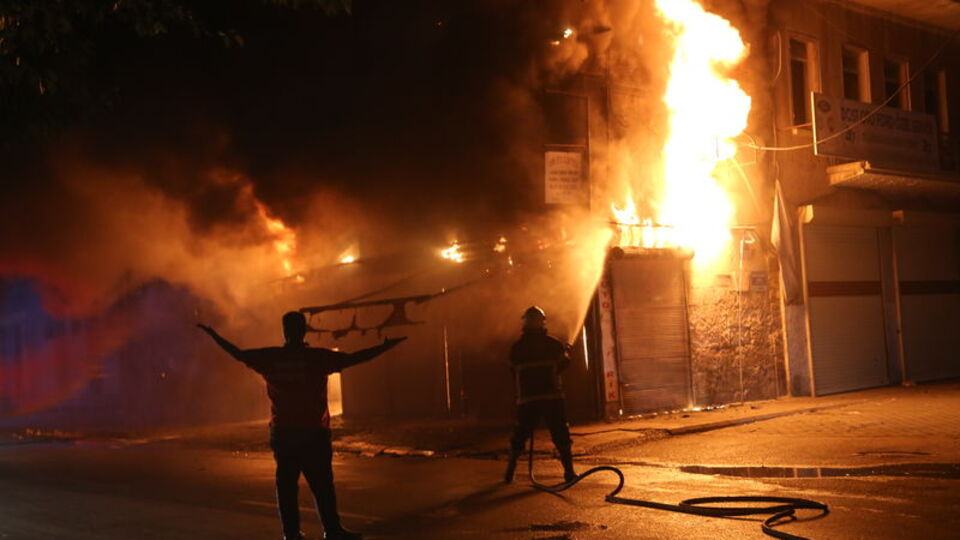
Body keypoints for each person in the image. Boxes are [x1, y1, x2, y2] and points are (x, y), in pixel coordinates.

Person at [198, 311, 406, 540]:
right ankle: (332, 530)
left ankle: (292, 534)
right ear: (304, 330)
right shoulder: (316, 358)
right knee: (323, 485)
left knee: (287, 487)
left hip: (285, 433)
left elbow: (237, 354)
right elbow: (353, 358)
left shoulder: (272, 358)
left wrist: (213, 335)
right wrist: (385, 347)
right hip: (313, 432)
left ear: (284, 331)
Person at [503, 305, 576, 484]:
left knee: (520, 435)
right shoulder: (554, 344)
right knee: (560, 434)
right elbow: (563, 365)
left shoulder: (517, 348)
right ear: (542, 322)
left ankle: (510, 472)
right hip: (552, 398)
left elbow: (513, 372)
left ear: (525, 322)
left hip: (527, 400)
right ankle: (569, 472)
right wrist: (566, 355)